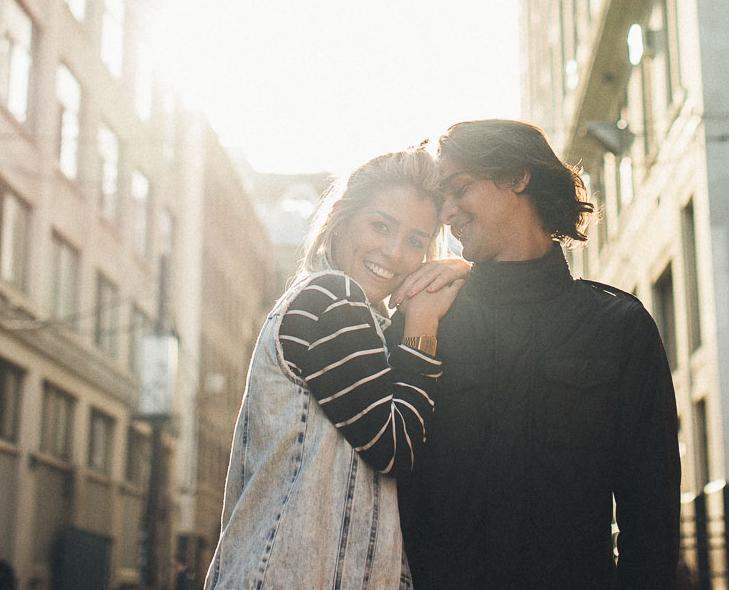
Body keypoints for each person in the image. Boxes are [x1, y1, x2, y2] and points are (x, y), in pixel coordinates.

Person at [393, 119, 680, 590]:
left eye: (459, 188)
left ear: (517, 176)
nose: (447, 213)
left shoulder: (620, 329)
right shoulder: (425, 318)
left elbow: (651, 521)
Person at [205, 148, 468, 590]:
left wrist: (461, 275)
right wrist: (423, 322)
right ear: (342, 219)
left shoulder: (364, 319)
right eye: (380, 226)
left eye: (417, 241)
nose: (394, 251)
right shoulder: (332, 299)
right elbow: (394, 446)